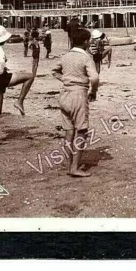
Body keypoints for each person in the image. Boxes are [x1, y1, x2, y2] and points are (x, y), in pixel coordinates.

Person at [51, 28, 99, 178]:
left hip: (64, 94)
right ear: (85, 41)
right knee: (82, 131)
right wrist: (94, 91)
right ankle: (75, 168)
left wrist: (66, 80)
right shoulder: (86, 58)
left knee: (69, 131)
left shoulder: (65, 56)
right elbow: (95, 78)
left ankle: (69, 164)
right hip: (78, 95)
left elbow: (54, 71)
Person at [0, 25, 35, 145]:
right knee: (30, 76)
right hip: (0, 77)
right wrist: (1, 69)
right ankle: (19, 101)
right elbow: (0, 63)